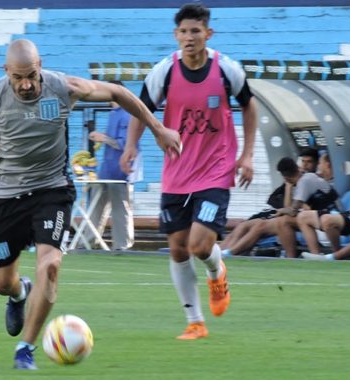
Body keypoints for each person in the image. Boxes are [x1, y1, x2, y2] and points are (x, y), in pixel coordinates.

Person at [0, 38, 179, 369]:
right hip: (8, 197)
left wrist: (159, 128)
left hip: (52, 191)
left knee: (50, 265)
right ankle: (18, 293)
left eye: (32, 76)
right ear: (6, 71)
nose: (26, 85)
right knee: (0, 283)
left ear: (41, 67)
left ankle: (26, 348)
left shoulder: (63, 87)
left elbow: (118, 92)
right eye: (18, 77)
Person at [120, 3, 257, 340]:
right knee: (179, 248)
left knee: (198, 245)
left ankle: (217, 270)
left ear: (208, 34)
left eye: (196, 31)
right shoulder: (164, 71)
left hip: (216, 169)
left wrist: (247, 155)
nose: (189, 37)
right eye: (184, 31)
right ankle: (195, 322)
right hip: (177, 172)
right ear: (176, 35)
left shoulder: (226, 69)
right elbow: (141, 109)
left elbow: (249, 106)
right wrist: (130, 146)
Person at [87, 81, 141, 250]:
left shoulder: (127, 114)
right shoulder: (114, 112)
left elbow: (126, 145)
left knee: (120, 210)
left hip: (120, 172)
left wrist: (104, 139)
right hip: (106, 171)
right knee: (95, 207)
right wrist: (103, 136)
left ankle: (122, 246)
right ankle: (88, 242)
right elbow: (114, 141)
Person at [273, 157, 339, 258]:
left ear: (286, 178)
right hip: (327, 215)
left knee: (289, 220)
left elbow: (292, 211)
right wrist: (289, 187)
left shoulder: (304, 182)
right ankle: (294, 257)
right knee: (289, 219)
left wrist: (281, 210)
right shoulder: (307, 178)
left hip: (332, 217)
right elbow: (293, 208)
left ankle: (309, 255)